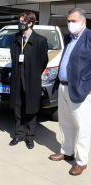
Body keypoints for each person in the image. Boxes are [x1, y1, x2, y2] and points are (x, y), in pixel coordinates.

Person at [49, 8, 91, 176]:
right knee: (65, 123)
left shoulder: (89, 37)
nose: (70, 24)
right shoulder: (68, 38)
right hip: (63, 87)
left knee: (82, 126)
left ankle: (81, 161)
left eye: (73, 21)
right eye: (68, 21)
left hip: (80, 90)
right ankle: (67, 151)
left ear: (83, 21)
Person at [9, 12, 48, 149]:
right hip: (17, 76)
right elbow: (13, 56)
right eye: (19, 21)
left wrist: (34, 72)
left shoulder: (40, 40)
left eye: (22, 21)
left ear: (30, 23)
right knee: (18, 106)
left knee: (31, 106)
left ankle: (30, 136)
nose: (20, 23)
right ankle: (18, 134)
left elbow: (44, 61)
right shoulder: (14, 38)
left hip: (32, 78)